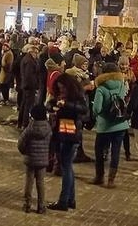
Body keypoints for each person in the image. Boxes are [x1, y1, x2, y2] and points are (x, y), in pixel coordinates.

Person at [46, 74, 87, 212]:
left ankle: (64, 200)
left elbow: (84, 110)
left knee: (66, 166)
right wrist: (52, 107)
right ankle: (70, 200)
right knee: (67, 166)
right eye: (59, 88)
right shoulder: (59, 95)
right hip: (59, 133)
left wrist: (67, 105)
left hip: (71, 133)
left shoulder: (77, 95)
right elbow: (49, 103)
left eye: (63, 88)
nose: (61, 91)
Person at [91, 62, 129, 188]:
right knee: (116, 151)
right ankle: (111, 180)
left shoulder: (101, 88)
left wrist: (101, 114)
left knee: (100, 151)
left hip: (105, 125)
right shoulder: (121, 85)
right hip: (120, 124)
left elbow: (96, 108)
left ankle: (99, 176)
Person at [18, 104, 52, 214]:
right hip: (42, 160)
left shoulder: (29, 128)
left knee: (29, 182)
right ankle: (41, 206)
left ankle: (27, 204)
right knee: (40, 183)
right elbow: (51, 144)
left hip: (30, 159)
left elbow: (21, 143)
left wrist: (25, 152)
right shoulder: (48, 129)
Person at [18, 45, 42, 129]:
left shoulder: (27, 59)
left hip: (26, 85)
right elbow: (29, 75)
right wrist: (34, 86)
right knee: (27, 105)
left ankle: (20, 122)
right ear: (32, 52)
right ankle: (25, 123)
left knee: (24, 104)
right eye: (36, 53)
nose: (37, 54)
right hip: (29, 86)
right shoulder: (30, 61)